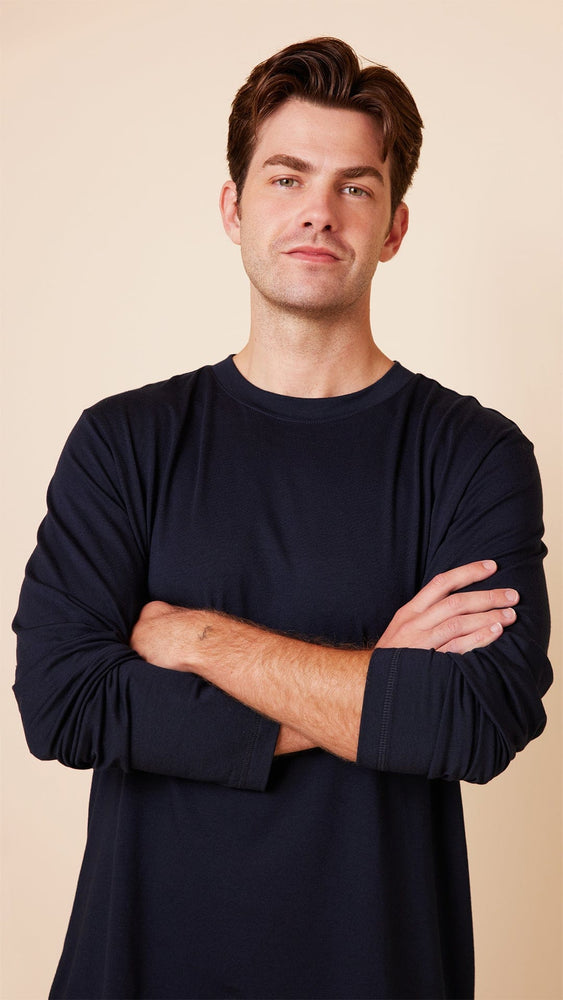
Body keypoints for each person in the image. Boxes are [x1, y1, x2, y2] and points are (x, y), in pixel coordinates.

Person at [13, 36, 551, 1000]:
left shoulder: (473, 453)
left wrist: (199, 640)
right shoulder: (124, 441)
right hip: (139, 970)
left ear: (393, 227)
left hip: (381, 968)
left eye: (355, 187)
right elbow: (64, 703)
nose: (318, 212)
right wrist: (377, 683)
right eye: (287, 177)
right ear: (234, 207)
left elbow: (473, 721)